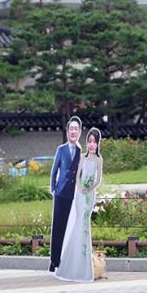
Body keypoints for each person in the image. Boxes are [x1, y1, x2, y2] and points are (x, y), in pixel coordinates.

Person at [56, 128, 103, 282]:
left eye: (94, 142)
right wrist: (80, 187)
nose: (91, 144)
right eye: (89, 141)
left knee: (85, 226)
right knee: (78, 224)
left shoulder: (98, 160)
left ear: (97, 143)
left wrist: (89, 188)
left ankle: (84, 268)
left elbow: (98, 180)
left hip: (90, 195)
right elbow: (77, 176)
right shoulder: (82, 158)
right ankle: (72, 265)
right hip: (80, 194)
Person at [49, 116, 82, 273]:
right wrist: (54, 188)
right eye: (71, 129)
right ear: (68, 132)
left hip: (73, 194)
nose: (73, 131)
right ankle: (53, 260)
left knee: (69, 228)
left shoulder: (80, 151)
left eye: (76, 129)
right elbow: (55, 170)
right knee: (58, 226)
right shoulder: (61, 149)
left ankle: (66, 259)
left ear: (80, 132)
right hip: (61, 193)